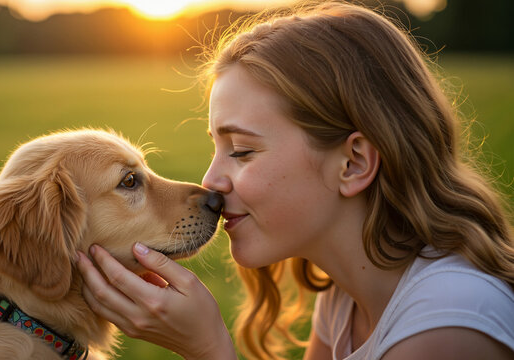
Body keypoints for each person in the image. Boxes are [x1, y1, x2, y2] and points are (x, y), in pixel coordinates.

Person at [75, 1, 514, 359]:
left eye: (242, 151)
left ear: (354, 164)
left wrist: (207, 349)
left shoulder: (448, 324)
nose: (211, 180)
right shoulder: (346, 298)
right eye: (216, 147)